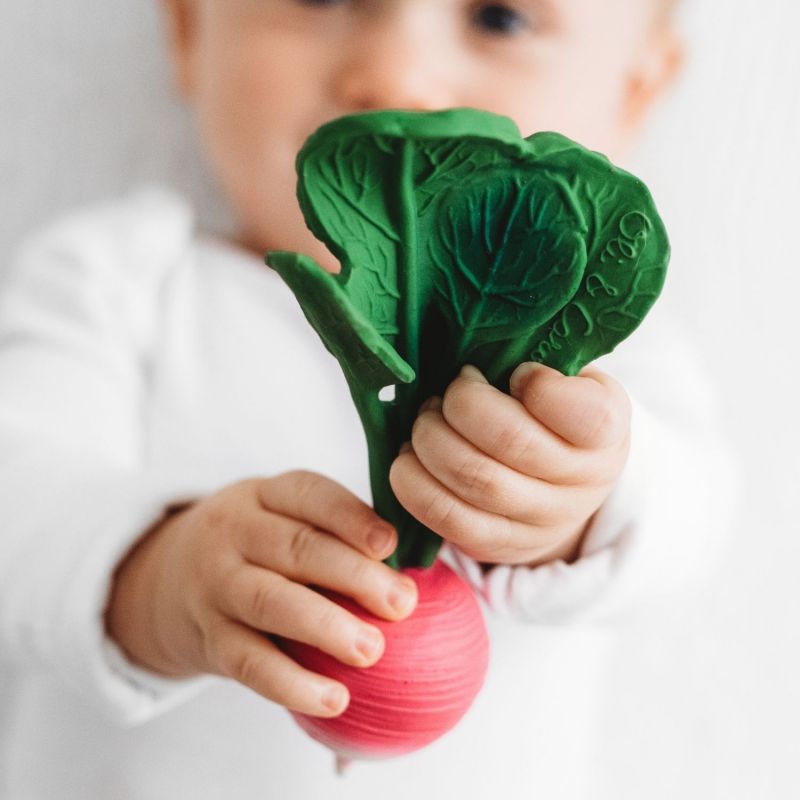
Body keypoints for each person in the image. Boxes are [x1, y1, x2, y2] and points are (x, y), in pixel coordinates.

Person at [0, 1, 735, 797]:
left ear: (635, 91)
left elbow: (694, 518)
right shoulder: (119, 280)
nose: (395, 76)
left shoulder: (592, 343)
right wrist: (161, 577)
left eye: (501, 19)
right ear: (187, 33)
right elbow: (20, 499)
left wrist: (583, 498)